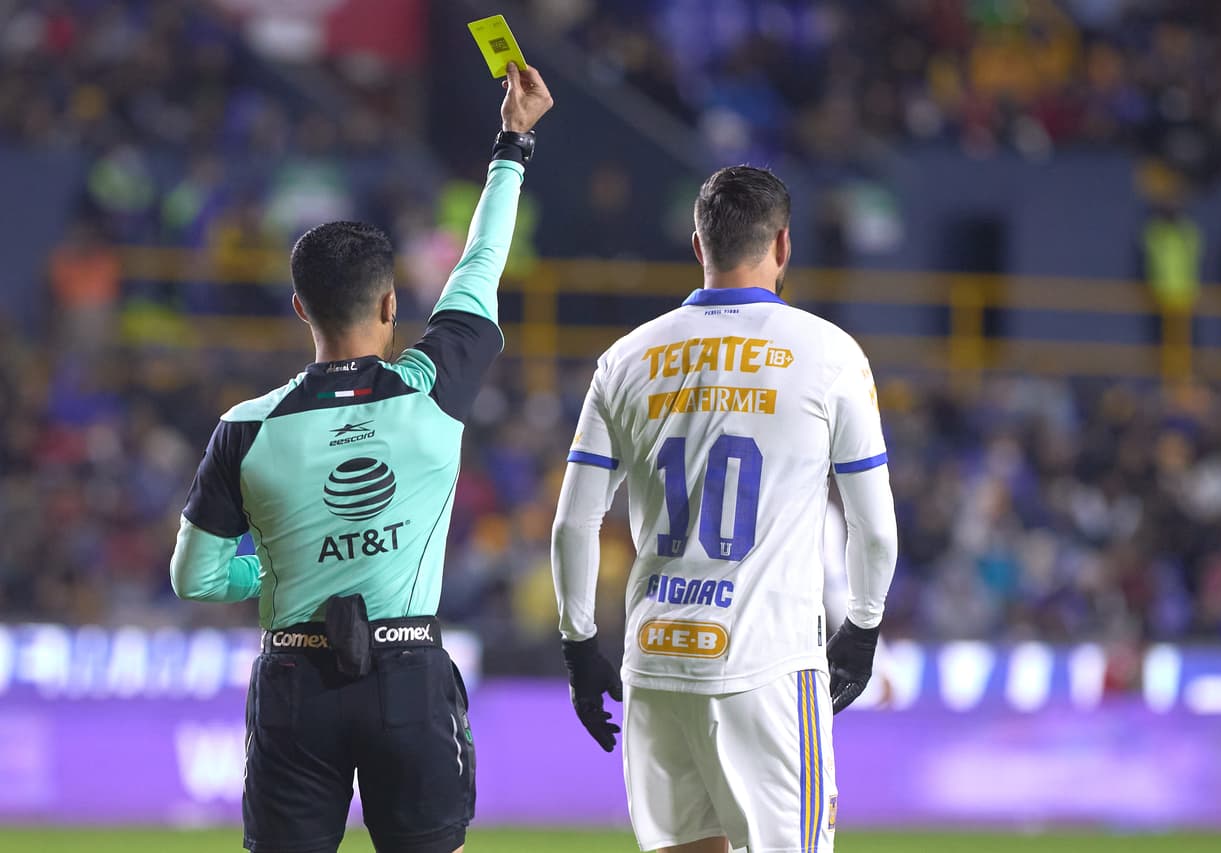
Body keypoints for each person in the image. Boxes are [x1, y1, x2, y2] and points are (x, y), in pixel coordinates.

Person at [168, 63, 553, 853]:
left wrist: (274, 568)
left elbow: (193, 577)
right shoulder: (432, 389)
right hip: (406, 674)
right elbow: (480, 262)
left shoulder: (245, 427)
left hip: (294, 682)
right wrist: (512, 142)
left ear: (300, 306)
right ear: (390, 302)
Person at [551, 166, 899, 853]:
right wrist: (862, 629)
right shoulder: (829, 352)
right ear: (784, 244)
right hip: (767, 664)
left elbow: (573, 523)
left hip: (656, 661)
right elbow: (874, 528)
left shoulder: (625, 358)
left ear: (697, 245)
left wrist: (578, 644)